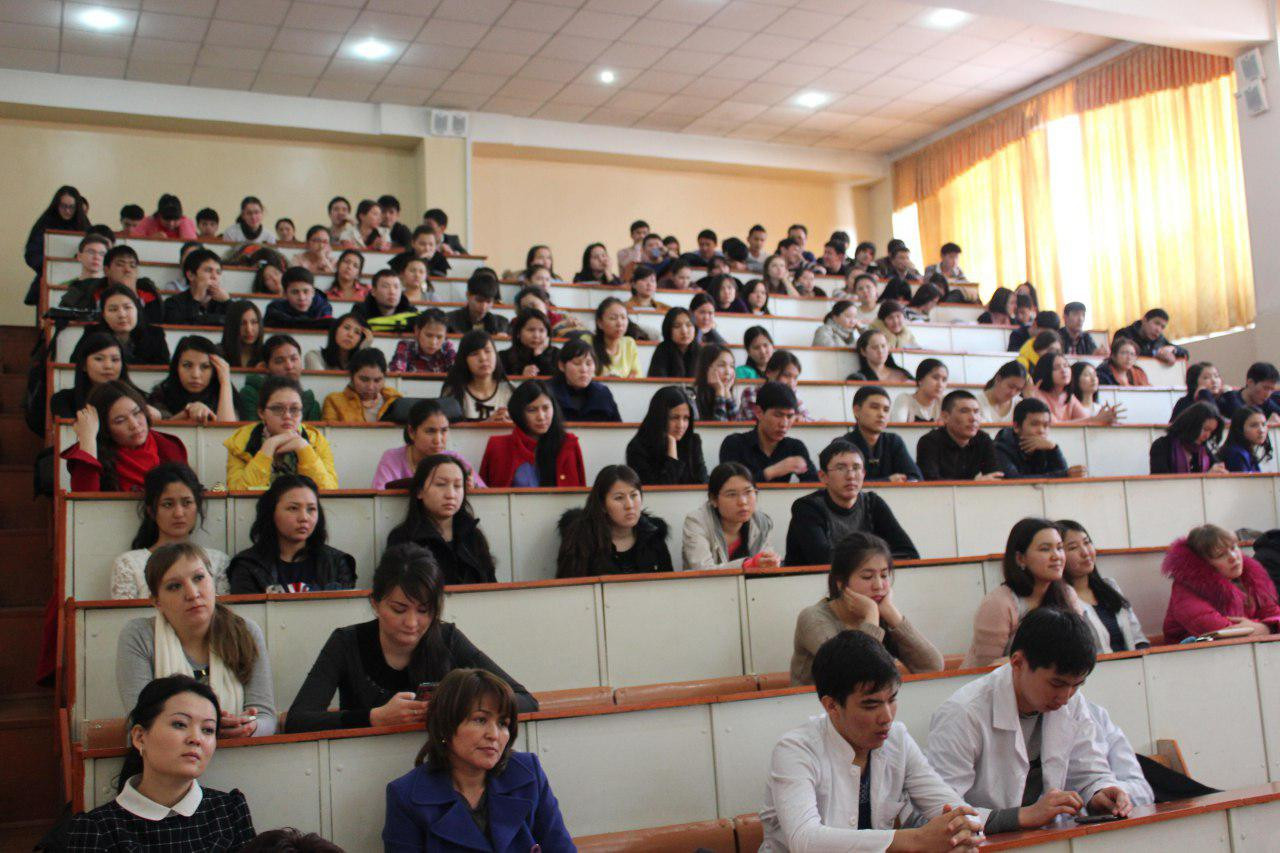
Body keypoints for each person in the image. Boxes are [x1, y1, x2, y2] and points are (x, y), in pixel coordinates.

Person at [764, 630, 978, 852]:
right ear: (832, 706)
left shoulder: (897, 739)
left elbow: (956, 811)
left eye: (892, 700)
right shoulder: (795, 750)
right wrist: (918, 839)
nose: (887, 717)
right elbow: (805, 841)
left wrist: (961, 833)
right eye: (871, 705)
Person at [286, 545, 537, 734]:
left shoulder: (447, 637)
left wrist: (460, 705)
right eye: (399, 609)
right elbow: (298, 720)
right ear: (375, 603)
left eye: (424, 610)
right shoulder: (346, 642)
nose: (412, 622)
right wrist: (373, 718)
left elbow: (525, 700)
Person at [929, 608, 1133, 835]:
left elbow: (1089, 771)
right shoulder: (963, 713)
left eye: (1077, 685)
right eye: (1056, 684)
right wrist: (1020, 817)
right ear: (1018, 663)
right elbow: (939, 811)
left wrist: (1099, 792)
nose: (1065, 697)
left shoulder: (1073, 703)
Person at [381, 668, 570, 852]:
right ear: (445, 726)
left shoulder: (527, 772)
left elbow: (560, 847)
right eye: (480, 720)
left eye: (503, 723)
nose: (494, 735)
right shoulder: (406, 796)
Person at [65, 675, 256, 851]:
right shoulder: (97, 829)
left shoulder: (229, 810)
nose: (196, 738)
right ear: (140, 737)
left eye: (207, 729)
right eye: (180, 724)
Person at [116, 543, 276, 737]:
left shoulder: (245, 631)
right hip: (166, 753)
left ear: (213, 582)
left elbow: (266, 717)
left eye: (199, 578)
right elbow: (141, 722)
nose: (192, 594)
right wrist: (207, 727)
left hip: (238, 751)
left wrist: (248, 727)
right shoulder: (140, 635)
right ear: (157, 601)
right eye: (174, 586)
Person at [789, 533, 941, 689]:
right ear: (840, 582)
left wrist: (892, 614)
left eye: (884, 575)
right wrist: (871, 616)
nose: (879, 586)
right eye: (867, 577)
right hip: (815, 704)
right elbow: (856, 675)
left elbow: (933, 666)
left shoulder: (883, 614)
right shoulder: (813, 618)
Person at [961, 517, 1088, 667]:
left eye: (1059, 548)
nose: (1057, 556)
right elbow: (985, 669)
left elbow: (1080, 650)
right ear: (1020, 558)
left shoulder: (1068, 595)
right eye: (1045, 549)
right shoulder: (999, 603)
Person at [785, 441, 918, 567]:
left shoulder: (873, 503)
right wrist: (874, 560)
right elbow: (823, 560)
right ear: (823, 476)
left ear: (864, 474)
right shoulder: (807, 507)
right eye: (840, 468)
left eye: (856, 468)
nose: (851, 476)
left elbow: (909, 554)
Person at [111, 463, 231, 599]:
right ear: (151, 511)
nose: (178, 513)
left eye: (186, 503)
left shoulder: (217, 561)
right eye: (168, 504)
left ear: (197, 506)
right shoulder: (129, 564)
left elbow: (222, 610)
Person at [227, 475, 355, 593]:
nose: (304, 517)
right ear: (271, 512)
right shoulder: (248, 566)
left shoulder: (337, 563)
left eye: (311, 509)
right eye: (293, 508)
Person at [387, 456, 498, 585]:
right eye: (440, 484)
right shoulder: (403, 538)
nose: (451, 494)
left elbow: (491, 587)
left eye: (457, 486)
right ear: (419, 491)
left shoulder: (474, 536)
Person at [1161, 524, 1280, 643]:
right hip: (1192, 652)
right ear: (1203, 564)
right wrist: (1266, 628)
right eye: (1220, 555)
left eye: (1233, 548)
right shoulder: (1185, 592)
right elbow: (1224, 632)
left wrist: (1266, 628)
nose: (1233, 557)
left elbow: (1273, 613)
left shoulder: (1251, 577)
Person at [62, 381, 188, 492]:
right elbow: (84, 503)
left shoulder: (168, 446)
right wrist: (88, 439)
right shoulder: (94, 452)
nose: (134, 425)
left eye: (137, 413)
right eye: (120, 420)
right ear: (105, 429)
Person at [556, 465, 673, 577]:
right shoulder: (581, 540)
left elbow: (668, 585)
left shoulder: (653, 535)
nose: (629, 505)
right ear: (602, 505)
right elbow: (569, 588)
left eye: (634, 495)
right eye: (619, 498)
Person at [225, 376, 338, 490]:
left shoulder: (316, 440)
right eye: (277, 409)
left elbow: (328, 491)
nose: (287, 415)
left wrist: (303, 448)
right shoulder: (241, 441)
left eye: (294, 409)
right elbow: (238, 493)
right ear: (261, 413)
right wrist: (268, 447)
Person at [1058, 519, 1147, 653]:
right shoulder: (1060, 599)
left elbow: (1138, 639)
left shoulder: (1110, 586)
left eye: (1087, 543)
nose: (1085, 552)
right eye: (1073, 547)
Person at [478, 380, 585, 488]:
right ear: (519, 413)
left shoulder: (569, 443)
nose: (541, 417)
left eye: (546, 408)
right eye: (532, 410)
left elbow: (580, 493)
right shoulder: (498, 446)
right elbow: (485, 494)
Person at [681, 461, 780, 570]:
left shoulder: (762, 522)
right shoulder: (697, 522)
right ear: (714, 500)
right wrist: (746, 565)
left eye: (748, 492)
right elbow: (702, 570)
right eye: (732, 494)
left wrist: (769, 563)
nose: (742, 502)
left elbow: (765, 567)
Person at [718, 381, 817, 484]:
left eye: (790, 416)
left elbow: (814, 485)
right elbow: (729, 486)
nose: (784, 424)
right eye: (778, 415)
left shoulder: (795, 447)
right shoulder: (734, 444)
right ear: (759, 412)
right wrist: (772, 472)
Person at [373, 399, 484, 490]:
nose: (438, 440)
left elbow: (485, 494)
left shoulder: (455, 459)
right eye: (430, 431)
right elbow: (380, 499)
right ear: (411, 432)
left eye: (444, 430)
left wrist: (473, 488)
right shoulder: (392, 458)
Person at [61, 244, 164, 324]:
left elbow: (150, 327)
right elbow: (63, 315)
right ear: (106, 270)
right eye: (120, 264)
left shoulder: (149, 295)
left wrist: (132, 294)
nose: (127, 270)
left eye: (132, 266)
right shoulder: (87, 290)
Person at [53, 334, 147, 422]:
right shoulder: (63, 400)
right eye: (99, 359)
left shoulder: (138, 398)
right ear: (84, 365)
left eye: (115, 360)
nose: (108, 366)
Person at [625, 386, 707, 485]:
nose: (681, 425)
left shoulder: (693, 441)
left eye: (686, 418)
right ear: (659, 417)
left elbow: (703, 483)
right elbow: (660, 491)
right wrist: (672, 451)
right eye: (674, 418)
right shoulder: (637, 448)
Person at [23, 185, 92, 304]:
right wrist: (53, 265)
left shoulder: (83, 225)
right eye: (63, 206)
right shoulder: (45, 224)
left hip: (78, 284)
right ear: (56, 205)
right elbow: (31, 254)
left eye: (72, 207)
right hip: (48, 282)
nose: (67, 211)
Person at [147, 335, 239, 423]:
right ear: (176, 367)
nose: (195, 375)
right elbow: (159, 431)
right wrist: (186, 414)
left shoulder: (223, 392)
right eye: (187, 365)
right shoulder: (161, 394)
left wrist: (225, 382)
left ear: (215, 370)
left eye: (205, 367)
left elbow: (230, 431)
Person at [841, 386, 923, 482]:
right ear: (856, 411)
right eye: (874, 407)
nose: (881, 414)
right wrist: (888, 481)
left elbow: (916, 478)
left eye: (886, 410)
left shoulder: (893, 441)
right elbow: (844, 483)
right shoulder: (842, 445)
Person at [915, 391, 1002, 481]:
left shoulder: (983, 439)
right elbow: (931, 483)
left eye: (976, 412)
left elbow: (996, 476)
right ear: (945, 417)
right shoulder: (929, 442)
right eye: (964, 411)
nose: (973, 418)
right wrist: (974, 483)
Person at [994, 398, 1085, 479]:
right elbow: (1014, 481)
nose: (1041, 431)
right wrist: (1063, 475)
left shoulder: (1047, 447)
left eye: (1045, 425)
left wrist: (1054, 449)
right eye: (1034, 424)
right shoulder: (1001, 447)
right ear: (1016, 426)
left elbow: (1062, 475)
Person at [84, 284, 171, 365]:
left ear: (137, 310)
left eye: (127, 307)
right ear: (103, 315)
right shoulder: (92, 334)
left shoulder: (155, 334)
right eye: (113, 309)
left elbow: (163, 370)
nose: (122, 315)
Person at [439, 331, 514, 422]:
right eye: (474, 354)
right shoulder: (453, 392)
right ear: (464, 360)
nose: (483, 358)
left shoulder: (509, 391)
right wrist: (487, 424)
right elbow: (446, 428)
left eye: (487, 351)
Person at [1029, 353, 1119, 425]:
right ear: (1046, 372)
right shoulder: (1037, 395)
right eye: (1057, 368)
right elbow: (1054, 426)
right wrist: (1095, 420)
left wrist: (1104, 419)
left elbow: (1085, 420)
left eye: (1066, 366)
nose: (1063, 370)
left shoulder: (1068, 396)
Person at [548, 338, 622, 422]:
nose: (584, 369)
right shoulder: (548, 392)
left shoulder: (603, 393)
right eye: (577, 363)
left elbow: (617, 427)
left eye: (588, 363)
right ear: (561, 366)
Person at [321, 348, 403, 422]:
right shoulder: (334, 402)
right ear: (352, 376)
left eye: (377, 380)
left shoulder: (395, 401)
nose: (370, 387)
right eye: (364, 380)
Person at [1149, 401, 1226, 474]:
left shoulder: (1203, 448)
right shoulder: (1162, 445)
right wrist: (1207, 476)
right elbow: (1160, 480)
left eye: (1211, 432)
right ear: (1191, 425)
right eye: (1205, 429)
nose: (1207, 435)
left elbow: (1217, 467)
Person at [737, 350, 812, 422]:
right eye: (786, 375)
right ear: (769, 373)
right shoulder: (751, 392)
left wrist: (801, 418)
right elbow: (758, 420)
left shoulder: (792, 394)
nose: (791, 383)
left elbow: (809, 419)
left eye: (795, 378)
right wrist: (793, 418)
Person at [1113, 308, 1188, 365]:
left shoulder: (1160, 339)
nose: (1158, 330)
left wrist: (1173, 349)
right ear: (1144, 320)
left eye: (1162, 327)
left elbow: (1185, 353)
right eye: (1156, 323)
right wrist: (1156, 354)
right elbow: (1129, 354)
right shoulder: (1124, 334)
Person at [264, 267, 334, 328]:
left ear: (313, 292)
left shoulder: (323, 307)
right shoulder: (275, 308)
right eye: (295, 292)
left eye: (306, 291)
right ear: (285, 294)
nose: (302, 298)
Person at [589, 296, 641, 378]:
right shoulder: (587, 342)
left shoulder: (629, 343)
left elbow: (636, 375)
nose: (619, 323)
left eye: (623, 318)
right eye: (613, 318)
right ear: (600, 323)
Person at [392, 309, 455, 374]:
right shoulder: (405, 346)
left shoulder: (447, 348)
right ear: (417, 331)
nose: (433, 342)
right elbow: (397, 374)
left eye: (439, 337)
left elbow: (456, 374)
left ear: (445, 336)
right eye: (428, 335)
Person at [446, 270, 510, 335]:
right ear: (468, 295)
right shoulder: (449, 321)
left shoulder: (501, 324)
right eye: (479, 300)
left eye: (488, 301)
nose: (483, 307)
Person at [304, 311, 374, 371]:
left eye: (357, 332)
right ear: (335, 330)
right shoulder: (314, 356)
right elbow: (322, 381)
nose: (350, 334)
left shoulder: (363, 362)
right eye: (346, 328)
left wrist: (362, 351)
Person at [1216, 361, 1280, 423]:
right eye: (1265, 388)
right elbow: (1243, 420)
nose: (1268, 394)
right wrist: (1266, 423)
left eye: (1272, 389)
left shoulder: (1265, 402)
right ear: (1250, 382)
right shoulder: (1229, 399)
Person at [500, 308, 558, 377]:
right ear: (518, 333)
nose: (536, 335)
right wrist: (521, 376)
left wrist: (539, 355)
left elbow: (556, 380)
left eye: (541, 330)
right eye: (531, 330)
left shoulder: (557, 355)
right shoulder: (503, 357)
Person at [1218, 405, 1274, 472]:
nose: (1261, 430)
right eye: (1254, 425)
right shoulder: (1236, 455)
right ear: (1239, 429)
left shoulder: (1246, 451)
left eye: (1264, 424)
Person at [889, 358, 947, 423]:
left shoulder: (946, 402)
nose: (940, 384)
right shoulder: (904, 399)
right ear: (920, 380)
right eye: (935, 378)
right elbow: (899, 426)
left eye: (944, 380)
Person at [647, 306, 699, 378]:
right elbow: (657, 380)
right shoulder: (662, 350)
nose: (684, 331)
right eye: (677, 326)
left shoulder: (701, 351)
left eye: (689, 325)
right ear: (669, 330)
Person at [693, 343, 741, 421]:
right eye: (722, 365)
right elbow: (719, 426)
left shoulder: (733, 394)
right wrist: (720, 392)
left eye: (732, 366)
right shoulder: (692, 396)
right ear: (707, 368)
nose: (728, 372)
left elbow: (738, 425)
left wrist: (727, 393)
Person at [130, 193, 198, 240]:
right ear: (159, 215)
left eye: (175, 220)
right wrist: (151, 239)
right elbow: (133, 241)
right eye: (167, 219)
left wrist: (185, 226)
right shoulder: (148, 222)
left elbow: (193, 245)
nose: (171, 223)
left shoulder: (186, 222)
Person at [221, 300, 264, 368]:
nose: (249, 329)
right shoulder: (219, 354)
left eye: (254, 322)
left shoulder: (266, 354)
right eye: (242, 323)